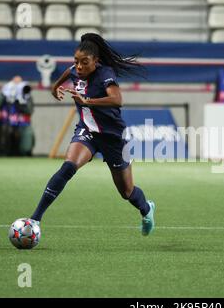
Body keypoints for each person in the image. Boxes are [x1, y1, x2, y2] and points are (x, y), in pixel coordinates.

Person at [28, 33, 156, 237]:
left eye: (84, 62)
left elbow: (117, 99)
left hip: (113, 138)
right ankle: (34, 219)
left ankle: (147, 208)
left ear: (95, 62)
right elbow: (67, 73)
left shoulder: (105, 74)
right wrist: (55, 87)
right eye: (76, 61)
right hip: (87, 132)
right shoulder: (75, 71)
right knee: (68, 166)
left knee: (127, 192)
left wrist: (88, 101)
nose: (79, 66)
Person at [0, 76, 35, 156]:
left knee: (25, 148)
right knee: (4, 146)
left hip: (23, 123)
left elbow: (30, 111)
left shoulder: (27, 95)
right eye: (14, 85)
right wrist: (4, 94)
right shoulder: (6, 93)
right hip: (6, 123)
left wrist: (21, 104)